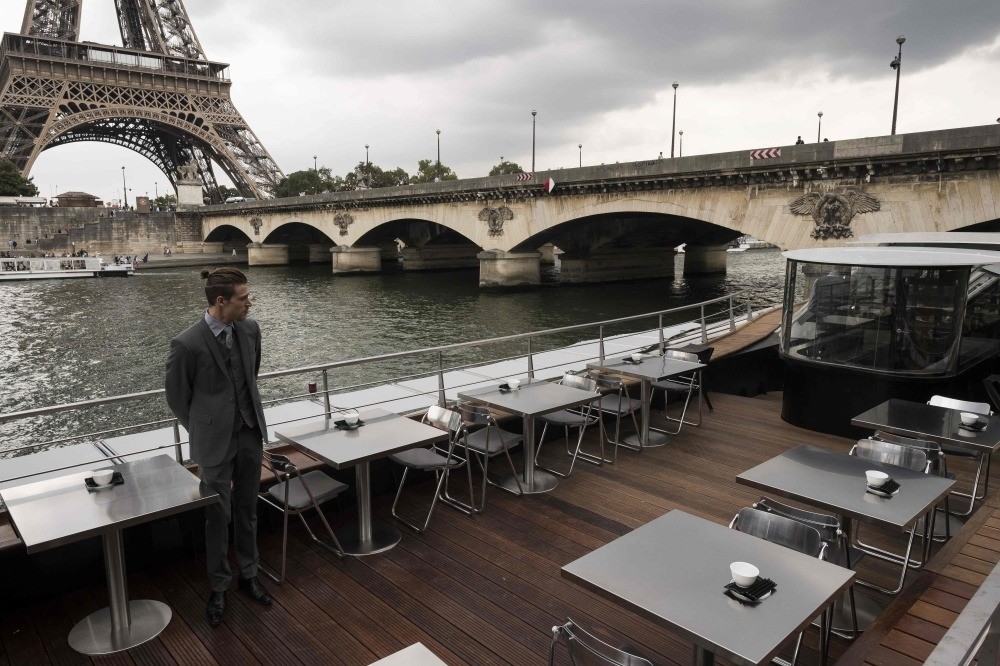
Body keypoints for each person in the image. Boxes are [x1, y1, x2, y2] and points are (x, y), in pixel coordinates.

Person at [164, 267, 271, 626]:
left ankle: (249, 573)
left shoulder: (250, 329)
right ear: (221, 301)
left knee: (247, 509)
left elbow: (250, 374)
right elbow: (178, 399)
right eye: (243, 298)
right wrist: (206, 427)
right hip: (213, 442)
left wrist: (243, 416)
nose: (249, 302)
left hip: (250, 432)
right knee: (216, 515)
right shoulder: (186, 343)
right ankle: (219, 586)